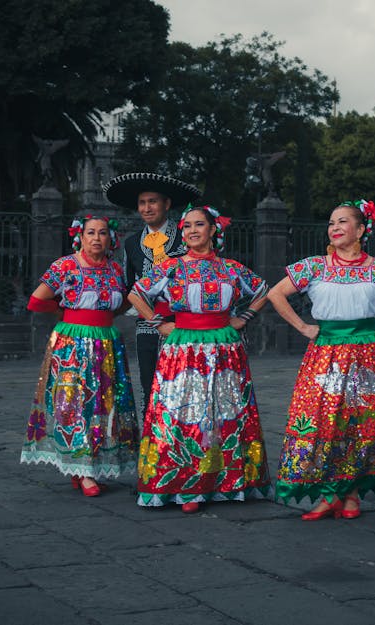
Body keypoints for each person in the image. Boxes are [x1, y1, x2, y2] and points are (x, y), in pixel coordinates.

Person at [268, 199, 375, 520]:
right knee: (323, 422)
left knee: (360, 424)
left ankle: (351, 494)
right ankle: (329, 494)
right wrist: (303, 327)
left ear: (360, 229)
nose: (335, 228)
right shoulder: (314, 266)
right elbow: (275, 294)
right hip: (325, 353)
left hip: (369, 355)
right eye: (331, 223)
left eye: (342, 222)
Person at [127, 204, 272, 513]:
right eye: (187, 226)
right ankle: (186, 484)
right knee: (185, 413)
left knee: (225, 412)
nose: (192, 230)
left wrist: (243, 317)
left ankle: (226, 482)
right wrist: (159, 323)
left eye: (199, 225)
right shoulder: (171, 267)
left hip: (224, 346)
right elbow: (136, 294)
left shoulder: (231, 268)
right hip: (183, 347)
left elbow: (263, 291)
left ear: (212, 230)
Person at [20, 215, 140, 496]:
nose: (96, 238)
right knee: (75, 403)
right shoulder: (66, 266)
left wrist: (105, 315)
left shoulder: (114, 269)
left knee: (104, 404)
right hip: (73, 344)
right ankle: (81, 468)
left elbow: (122, 302)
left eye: (102, 233)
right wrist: (65, 314)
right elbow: (37, 300)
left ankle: (88, 466)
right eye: (90, 233)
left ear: (111, 239)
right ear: (80, 237)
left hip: (107, 342)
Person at [103, 172, 202, 418]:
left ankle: (185, 440)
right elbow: (129, 285)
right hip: (147, 323)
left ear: (166, 204)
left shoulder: (186, 235)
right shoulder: (132, 243)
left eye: (152, 201)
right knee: (149, 383)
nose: (147, 208)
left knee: (187, 382)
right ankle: (152, 442)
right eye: (142, 203)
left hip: (185, 322)